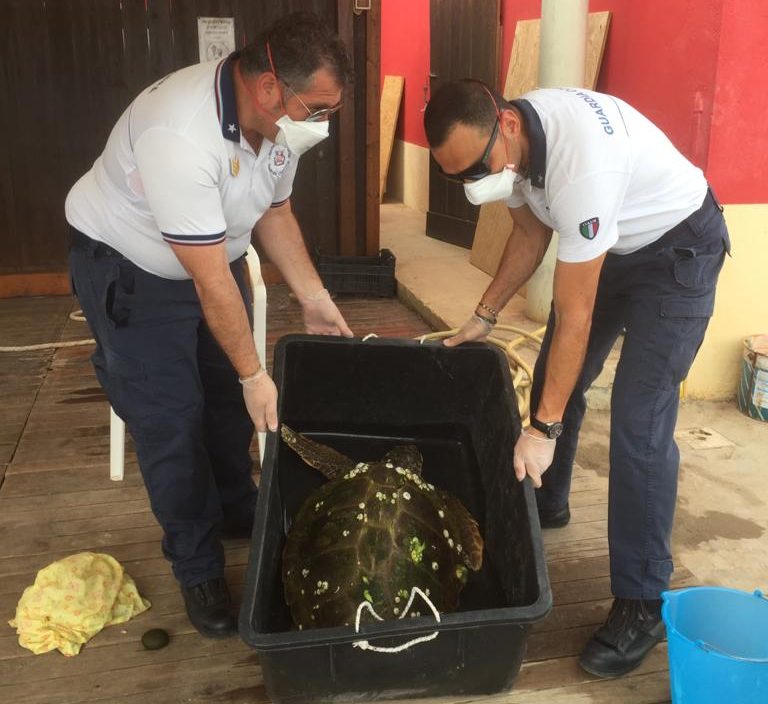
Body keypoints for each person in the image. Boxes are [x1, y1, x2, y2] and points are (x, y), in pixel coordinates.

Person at [424, 80, 729, 678]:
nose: (473, 184)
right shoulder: (512, 153)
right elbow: (531, 235)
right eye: (456, 177)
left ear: (506, 124)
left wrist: (541, 428)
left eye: (475, 167)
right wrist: (483, 317)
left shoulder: (579, 168)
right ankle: (549, 499)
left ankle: (642, 605)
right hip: (620, 244)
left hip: (680, 253)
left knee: (639, 422)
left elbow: (576, 321)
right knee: (555, 380)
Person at [65, 12, 354, 639]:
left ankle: (234, 507)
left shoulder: (278, 126)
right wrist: (255, 371)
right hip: (130, 267)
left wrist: (312, 295)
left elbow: (273, 210)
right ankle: (196, 565)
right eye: (319, 109)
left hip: (205, 259)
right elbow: (210, 281)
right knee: (170, 419)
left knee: (225, 403)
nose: (323, 124)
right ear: (271, 88)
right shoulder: (181, 132)